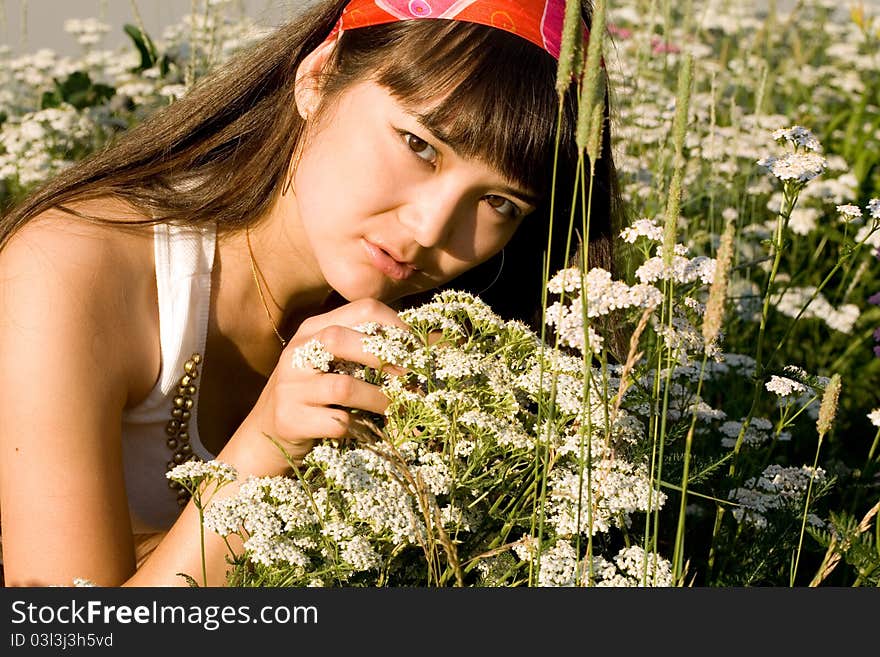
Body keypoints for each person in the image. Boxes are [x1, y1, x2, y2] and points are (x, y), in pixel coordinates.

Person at [0, 0, 622, 586]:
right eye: (418, 145)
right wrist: (267, 450)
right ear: (318, 77)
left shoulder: (455, 357)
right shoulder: (71, 271)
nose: (431, 229)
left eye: (498, 203)